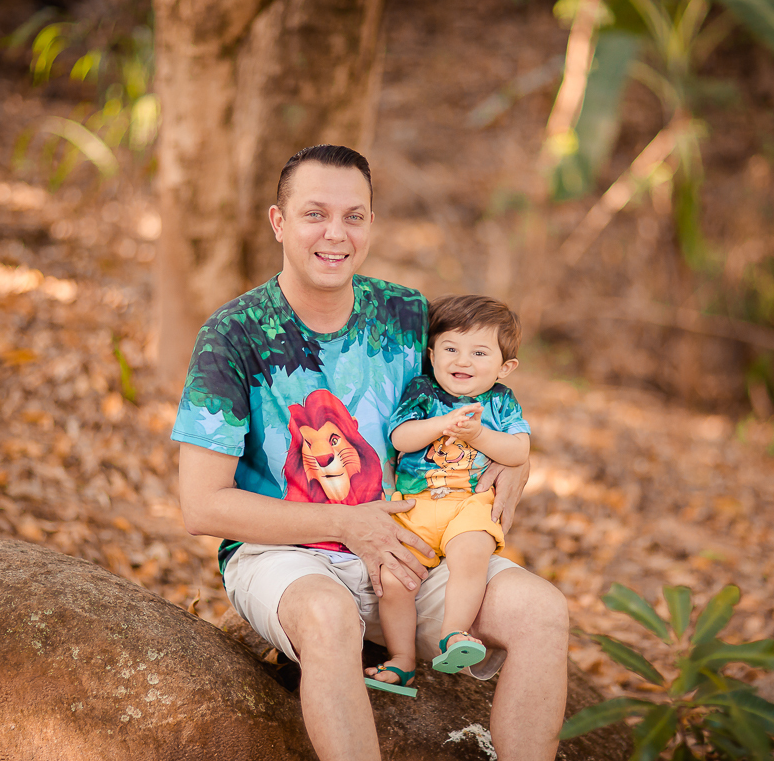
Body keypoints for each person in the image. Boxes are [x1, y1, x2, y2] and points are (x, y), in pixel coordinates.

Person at [172, 144, 568, 761]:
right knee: (329, 619)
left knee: (541, 610)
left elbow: (481, 396)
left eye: (354, 216)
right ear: (278, 222)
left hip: (414, 548)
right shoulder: (233, 336)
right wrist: (344, 522)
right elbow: (201, 507)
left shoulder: (406, 314)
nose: (336, 234)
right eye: (315, 214)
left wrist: (514, 466)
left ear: (371, 224)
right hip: (286, 557)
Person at [364, 295, 530, 696]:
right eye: (451, 348)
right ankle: (402, 661)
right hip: (415, 504)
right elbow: (401, 437)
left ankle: (455, 634)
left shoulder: (501, 402)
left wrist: (480, 436)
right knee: (394, 578)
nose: (463, 361)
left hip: (469, 504)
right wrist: (441, 424)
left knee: (471, 554)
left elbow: (518, 451)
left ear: (504, 367)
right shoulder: (422, 391)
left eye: (479, 352)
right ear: (432, 353)